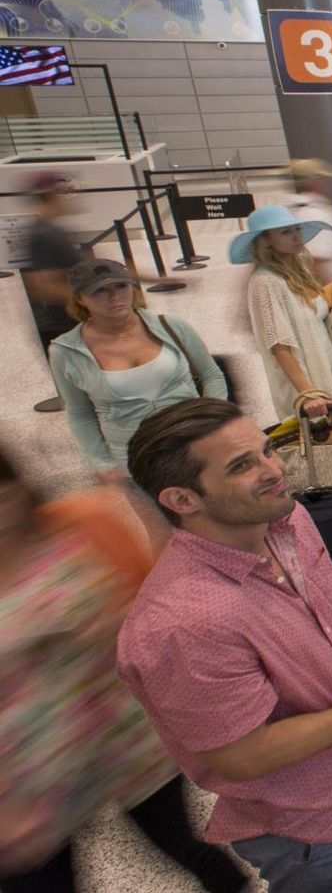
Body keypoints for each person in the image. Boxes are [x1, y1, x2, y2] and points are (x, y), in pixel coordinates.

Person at [118, 400, 332, 891]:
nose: (274, 470)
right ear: (183, 500)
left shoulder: (286, 521)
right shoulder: (181, 624)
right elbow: (240, 756)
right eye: (242, 465)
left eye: (266, 450)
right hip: (312, 815)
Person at [1, 446, 250, 893]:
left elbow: (150, 606)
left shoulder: (76, 523)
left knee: (178, 842)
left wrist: (101, 627)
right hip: (28, 771)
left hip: (122, 737)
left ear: (19, 488)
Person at [50, 258, 228, 477]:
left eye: (121, 286)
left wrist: (212, 424)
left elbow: (212, 376)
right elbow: (80, 414)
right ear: (80, 299)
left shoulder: (171, 326)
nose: (115, 297)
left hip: (194, 445)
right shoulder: (66, 352)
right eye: (99, 291)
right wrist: (103, 464)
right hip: (134, 460)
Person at [233, 206, 332, 422]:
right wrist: (308, 393)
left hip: (328, 367)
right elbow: (278, 345)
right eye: (285, 232)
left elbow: (317, 318)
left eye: (296, 229)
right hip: (305, 382)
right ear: (266, 240)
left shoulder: (299, 271)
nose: (296, 236)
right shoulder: (265, 282)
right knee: (323, 445)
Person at [22, 171, 83, 414]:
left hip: (66, 318)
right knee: (80, 394)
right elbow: (42, 285)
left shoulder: (51, 230)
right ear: (51, 196)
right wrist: (89, 306)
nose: (70, 199)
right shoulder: (44, 234)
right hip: (61, 322)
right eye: (65, 194)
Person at [286, 158, 332, 287]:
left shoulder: (290, 209)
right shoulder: (316, 214)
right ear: (316, 182)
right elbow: (318, 262)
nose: (330, 184)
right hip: (327, 291)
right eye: (326, 179)